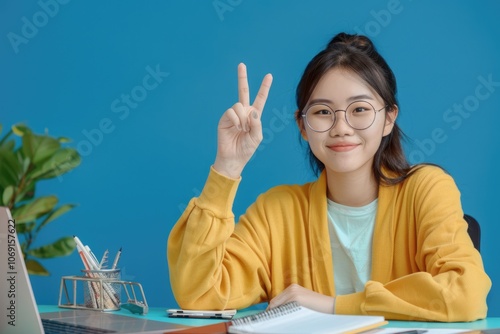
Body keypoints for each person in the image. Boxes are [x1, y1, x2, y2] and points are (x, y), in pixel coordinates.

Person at [167, 32, 491, 321]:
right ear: (302, 126)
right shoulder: (277, 210)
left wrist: (333, 305)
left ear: (389, 119)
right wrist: (227, 166)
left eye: (360, 109)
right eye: (322, 112)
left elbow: (465, 295)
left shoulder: (426, 188)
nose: (341, 127)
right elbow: (200, 295)